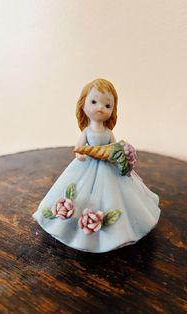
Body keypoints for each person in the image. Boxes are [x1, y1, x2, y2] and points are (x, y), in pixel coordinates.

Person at [32, 78, 161, 253]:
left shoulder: (108, 132)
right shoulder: (87, 131)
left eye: (107, 105)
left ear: (112, 110)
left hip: (108, 168)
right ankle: (72, 226)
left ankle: (120, 231)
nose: (100, 108)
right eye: (94, 102)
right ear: (83, 106)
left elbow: (115, 148)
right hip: (86, 167)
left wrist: (117, 155)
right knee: (77, 194)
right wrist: (80, 155)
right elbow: (79, 148)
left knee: (114, 196)